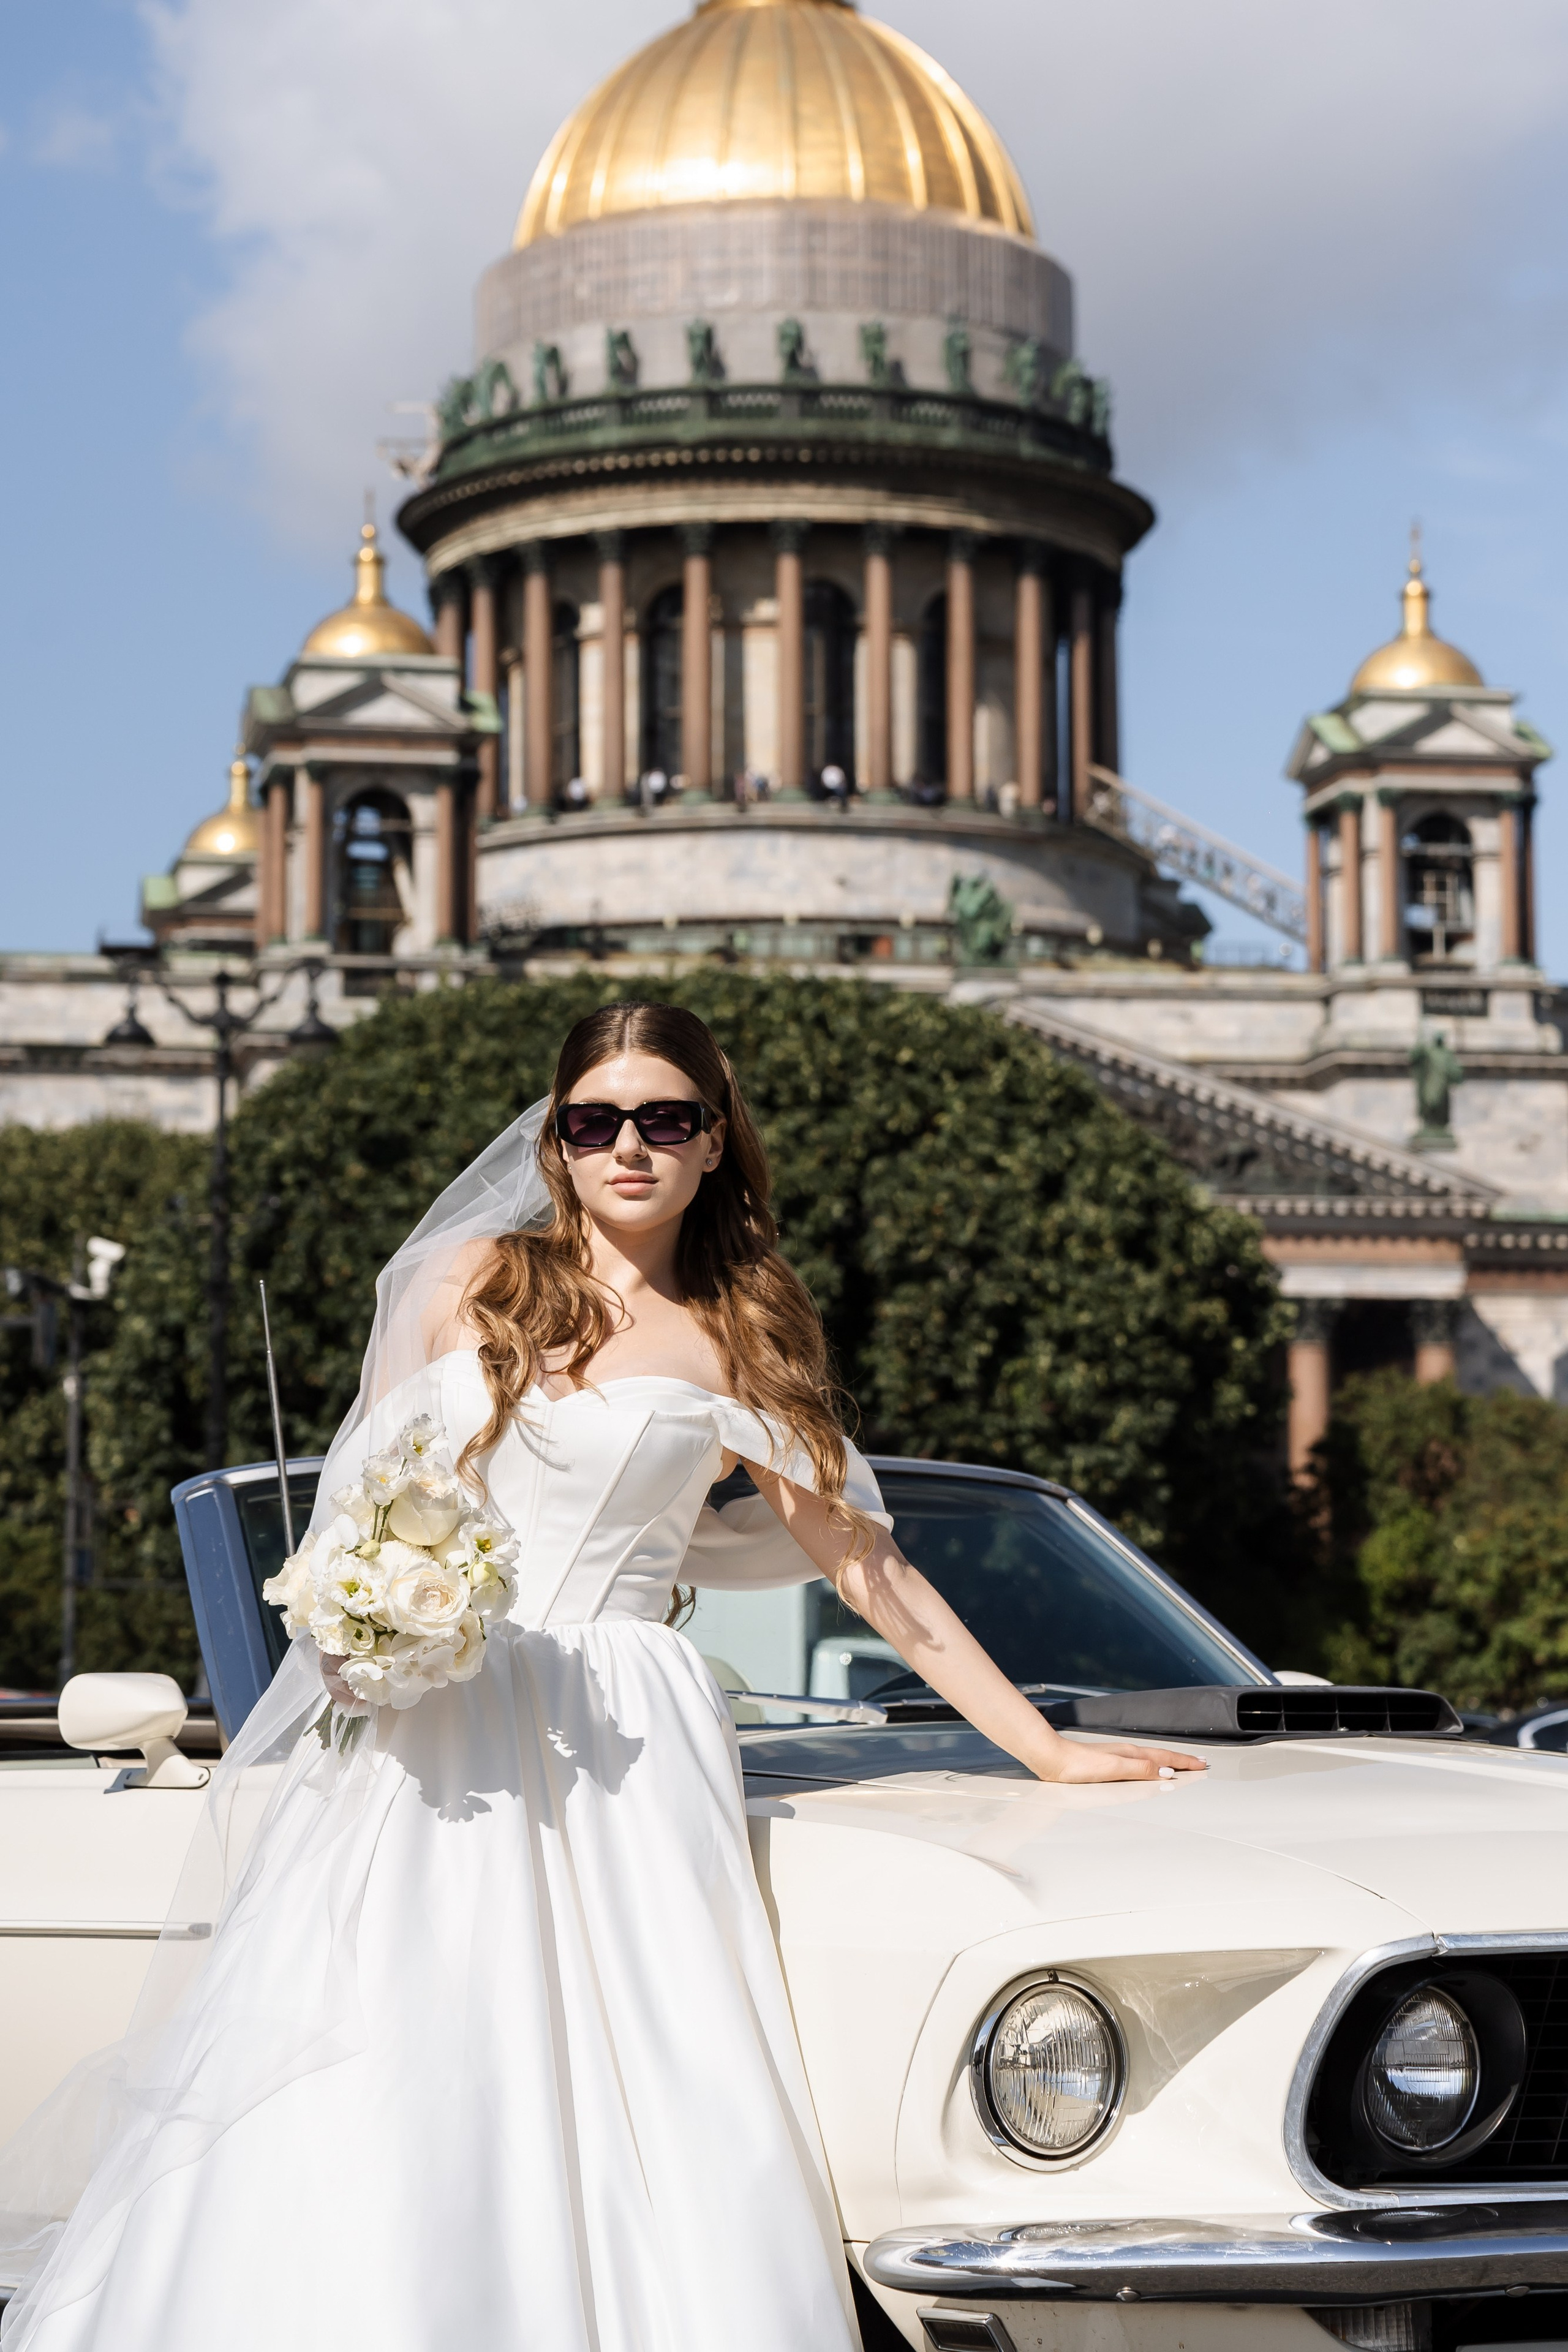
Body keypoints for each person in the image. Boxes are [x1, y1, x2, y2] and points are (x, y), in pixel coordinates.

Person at [1, 1001, 1200, 2350]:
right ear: (557, 1141)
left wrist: (1044, 1747)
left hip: (623, 1739)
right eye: (595, 1121)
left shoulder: (742, 1332)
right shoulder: (469, 1281)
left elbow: (871, 1571)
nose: (629, 1147)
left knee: (651, 2062)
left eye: (665, 1119)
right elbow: (367, 1501)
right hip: (431, 1726)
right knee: (389, 2045)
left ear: (714, 1141)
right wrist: (354, 1628)